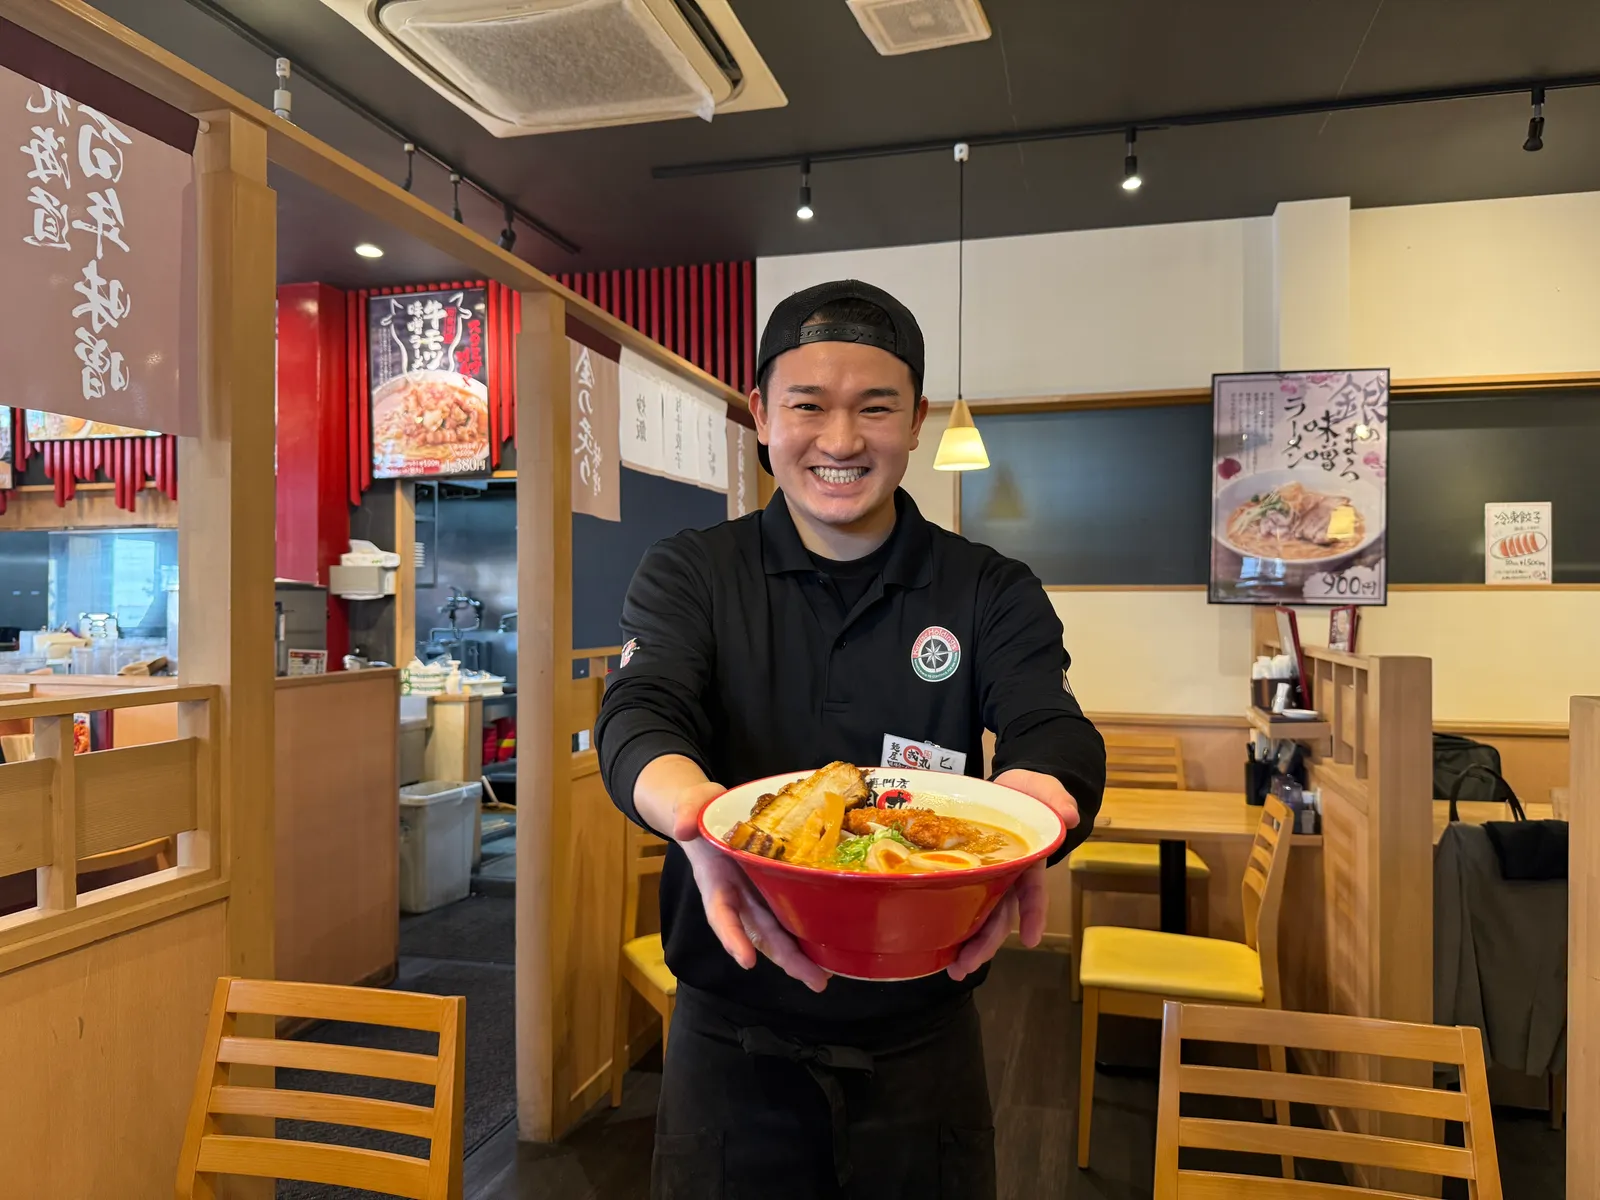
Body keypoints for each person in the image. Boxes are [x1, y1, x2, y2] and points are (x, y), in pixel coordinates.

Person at [596, 279, 1106, 1199]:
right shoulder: (692, 572)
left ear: (915, 421)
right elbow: (640, 711)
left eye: (874, 407)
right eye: (807, 406)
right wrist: (695, 818)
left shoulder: (988, 587)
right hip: (729, 1040)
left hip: (924, 1045)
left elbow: (1049, 721)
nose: (839, 441)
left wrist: (1040, 806)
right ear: (761, 414)